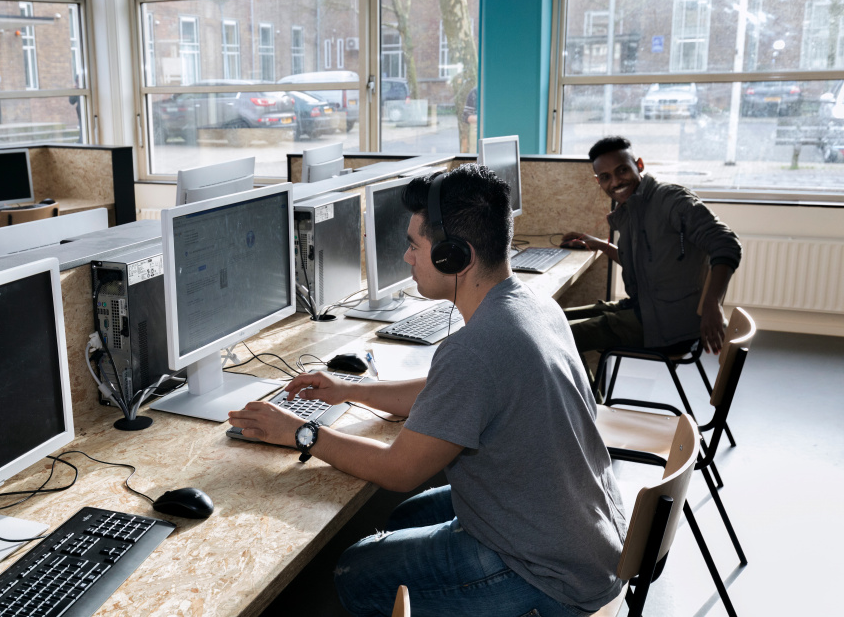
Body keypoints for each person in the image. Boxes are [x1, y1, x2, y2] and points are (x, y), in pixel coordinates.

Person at [229, 165, 627, 617]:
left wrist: (302, 433)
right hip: (584, 536)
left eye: (414, 245)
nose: (407, 257)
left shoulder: (476, 348)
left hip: (546, 573)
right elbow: (448, 393)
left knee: (351, 572)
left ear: (455, 256)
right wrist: (349, 390)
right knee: (400, 517)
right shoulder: (531, 304)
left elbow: (398, 470)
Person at [561, 136, 741, 365]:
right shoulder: (634, 207)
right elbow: (644, 263)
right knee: (555, 320)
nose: (615, 182)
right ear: (598, 181)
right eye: (606, 177)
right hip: (646, 308)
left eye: (622, 170)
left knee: (558, 338)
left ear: (640, 166)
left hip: (668, 325)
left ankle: (585, 402)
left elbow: (727, 243)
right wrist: (599, 244)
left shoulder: (671, 200)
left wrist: (712, 303)